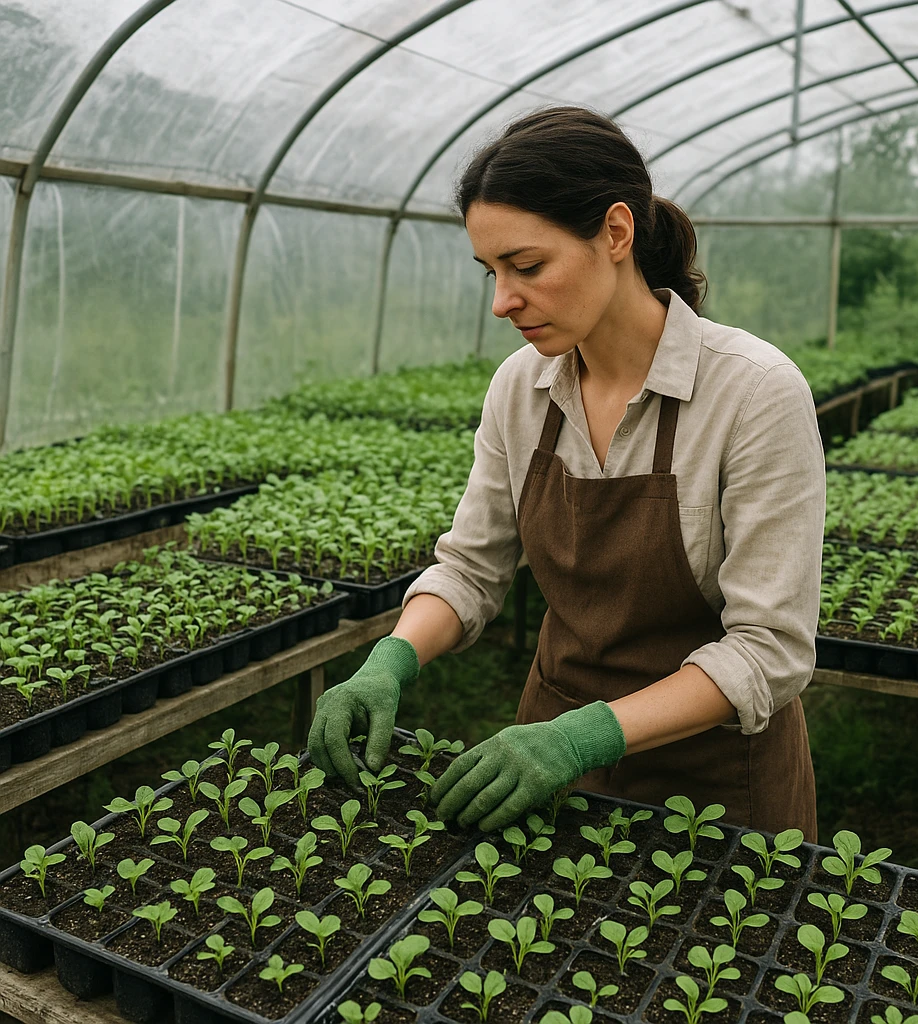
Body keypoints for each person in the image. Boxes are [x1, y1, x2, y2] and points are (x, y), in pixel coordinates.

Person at [308, 106, 825, 842]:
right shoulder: (523, 388)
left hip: (713, 780)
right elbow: (472, 566)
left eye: (527, 266)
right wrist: (390, 659)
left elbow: (769, 649)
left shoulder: (752, 393)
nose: (502, 301)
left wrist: (583, 738)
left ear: (616, 234)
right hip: (544, 759)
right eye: (491, 271)